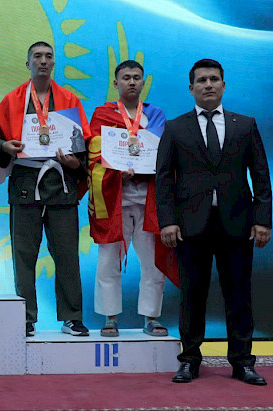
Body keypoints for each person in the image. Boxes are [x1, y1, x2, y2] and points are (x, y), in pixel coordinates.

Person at [156, 59, 272, 385]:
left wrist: (263, 219)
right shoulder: (175, 127)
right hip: (190, 225)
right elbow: (163, 180)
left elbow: (261, 175)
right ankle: (189, 361)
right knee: (192, 296)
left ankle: (243, 363)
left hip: (237, 223)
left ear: (223, 85)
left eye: (214, 79)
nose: (208, 84)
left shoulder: (245, 125)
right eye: (202, 80)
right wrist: (167, 221)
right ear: (191, 88)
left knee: (239, 296)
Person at [0, 41, 90, 337]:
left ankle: (72, 317)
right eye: (37, 56)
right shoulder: (13, 100)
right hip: (25, 182)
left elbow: (83, 144)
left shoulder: (69, 99)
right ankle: (25, 317)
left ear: (54, 63)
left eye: (48, 56)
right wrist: (5, 146)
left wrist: (75, 163)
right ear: (28, 63)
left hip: (61, 181)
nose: (43, 61)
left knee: (67, 254)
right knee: (23, 254)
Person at [87, 60, 169, 337]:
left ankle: (151, 317)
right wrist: (115, 172)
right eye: (126, 77)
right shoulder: (102, 114)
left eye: (136, 77)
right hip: (115, 197)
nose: (131, 82)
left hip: (148, 198)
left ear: (143, 82)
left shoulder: (155, 115)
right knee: (108, 260)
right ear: (115, 83)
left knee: (153, 261)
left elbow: (162, 153)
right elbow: (93, 154)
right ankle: (110, 317)